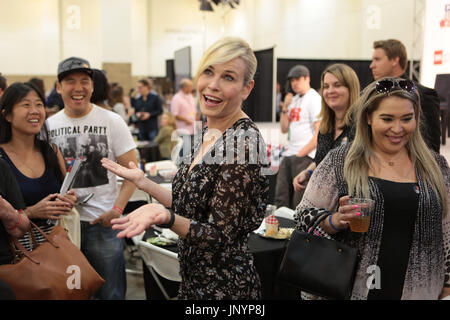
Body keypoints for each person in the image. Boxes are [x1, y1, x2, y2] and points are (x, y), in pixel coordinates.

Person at [102, 37, 270, 300]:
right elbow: (189, 203)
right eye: (208, 72)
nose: (212, 85)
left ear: (246, 88)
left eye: (228, 77)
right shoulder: (208, 131)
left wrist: (165, 217)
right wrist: (143, 182)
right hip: (194, 284)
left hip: (224, 290)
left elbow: (218, 236)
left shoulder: (243, 144)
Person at [295, 77, 450, 300]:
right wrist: (334, 221)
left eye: (407, 118)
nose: (398, 129)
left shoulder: (435, 167)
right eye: (387, 119)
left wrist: (447, 285)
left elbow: (447, 232)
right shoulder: (341, 162)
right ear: (368, 117)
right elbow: (302, 218)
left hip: (420, 290)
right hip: (353, 288)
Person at [46, 56, 138, 300]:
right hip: (62, 227)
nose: (78, 88)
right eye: (70, 81)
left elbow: (132, 172)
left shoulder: (112, 121)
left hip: (103, 224)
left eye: (84, 81)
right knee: (71, 293)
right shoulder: (48, 126)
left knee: (112, 294)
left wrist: (117, 210)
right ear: (58, 87)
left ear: (93, 86)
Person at [0, 82, 77, 251]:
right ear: (7, 115)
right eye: (26, 105)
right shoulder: (1, 158)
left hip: (55, 247)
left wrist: (69, 199)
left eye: (39, 104)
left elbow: (66, 191)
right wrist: (31, 212)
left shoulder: (51, 151)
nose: (34, 111)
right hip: (15, 254)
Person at [293, 63, 360, 192]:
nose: (330, 91)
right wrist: (307, 172)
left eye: (337, 85)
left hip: (349, 202)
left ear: (351, 88)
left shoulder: (360, 127)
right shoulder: (325, 127)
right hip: (322, 199)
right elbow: (321, 160)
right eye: (326, 86)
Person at [370, 39, 441, 153]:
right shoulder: (370, 94)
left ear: (395, 60)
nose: (371, 65)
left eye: (377, 59)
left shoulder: (424, 95)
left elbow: (431, 149)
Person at [275, 65, 321, 209]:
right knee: (280, 197)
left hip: (304, 155)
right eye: (292, 80)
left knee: (299, 200)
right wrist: (284, 107)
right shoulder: (293, 99)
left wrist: (301, 154)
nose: (294, 83)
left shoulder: (314, 98)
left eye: (297, 79)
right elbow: (283, 129)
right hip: (290, 153)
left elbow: (320, 133)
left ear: (307, 78)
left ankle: (298, 229)